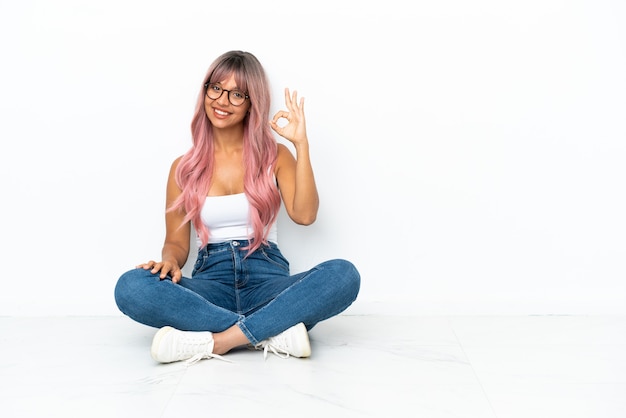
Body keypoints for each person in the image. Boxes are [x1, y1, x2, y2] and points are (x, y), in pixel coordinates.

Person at [114, 50, 360, 364]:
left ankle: (219, 341)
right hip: (210, 285)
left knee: (343, 275)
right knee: (131, 287)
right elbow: (176, 243)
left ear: (251, 104)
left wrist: (301, 144)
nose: (222, 100)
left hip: (266, 280)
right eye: (215, 88)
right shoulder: (183, 168)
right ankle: (270, 329)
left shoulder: (276, 156)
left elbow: (305, 215)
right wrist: (169, 262)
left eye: (237, 94)